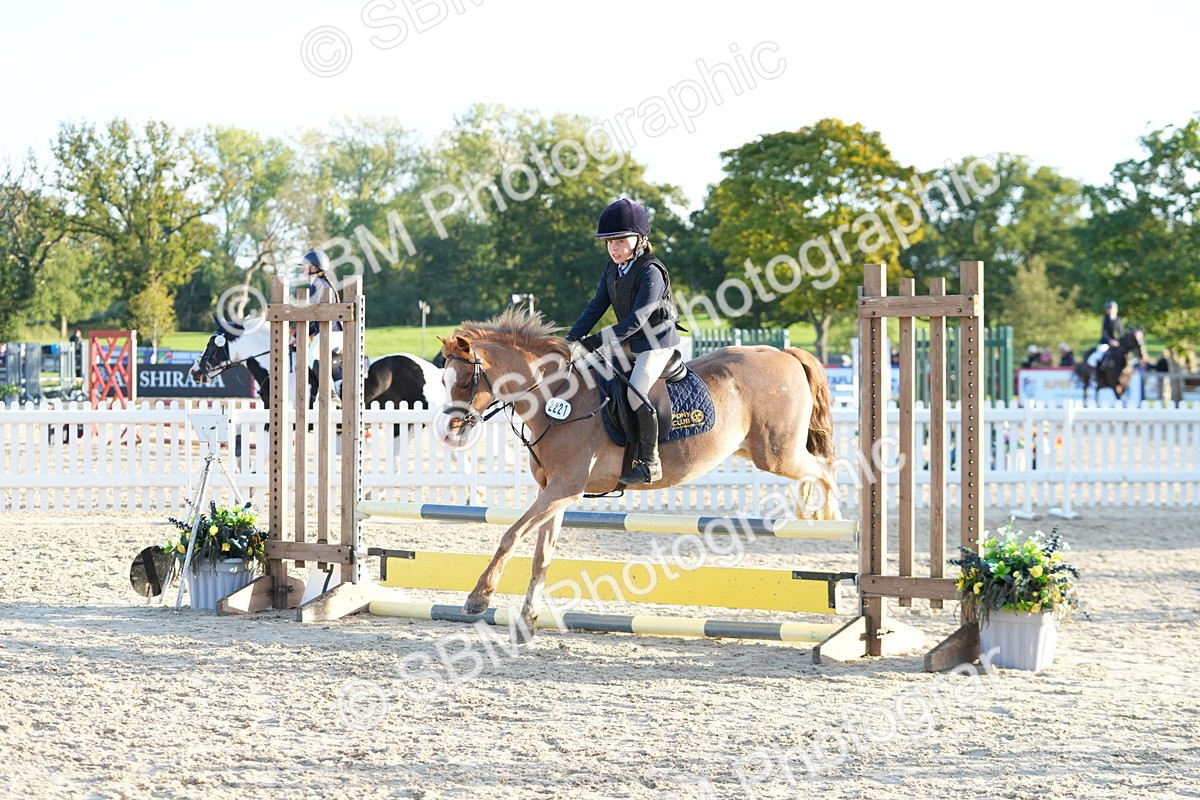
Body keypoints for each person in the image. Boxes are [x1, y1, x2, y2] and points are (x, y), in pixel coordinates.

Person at [566, 199, 682, 485]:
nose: (614, 248)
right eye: (609, 242)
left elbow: (637, 320)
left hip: (656, 341)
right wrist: (571, 339)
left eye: (620, 241)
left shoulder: (651, 271)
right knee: (594, 376)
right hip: (631, 340)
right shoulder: (612, 270)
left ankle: (650, 461)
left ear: (640, 239)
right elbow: (596, 306)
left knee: (635, 391)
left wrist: (595, 341)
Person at [1086, 300, 1123, 368]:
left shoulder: (1119, 320)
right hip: (1106, 343)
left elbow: (1121, 333)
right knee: (1099, 353)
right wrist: (1110, 341)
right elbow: (1104, 332)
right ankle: (1095, 371)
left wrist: (1117, 341)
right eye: (1109, 308)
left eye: (1112, 308)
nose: (1111, 310)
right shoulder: (1106, 319)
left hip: (1117, 343)